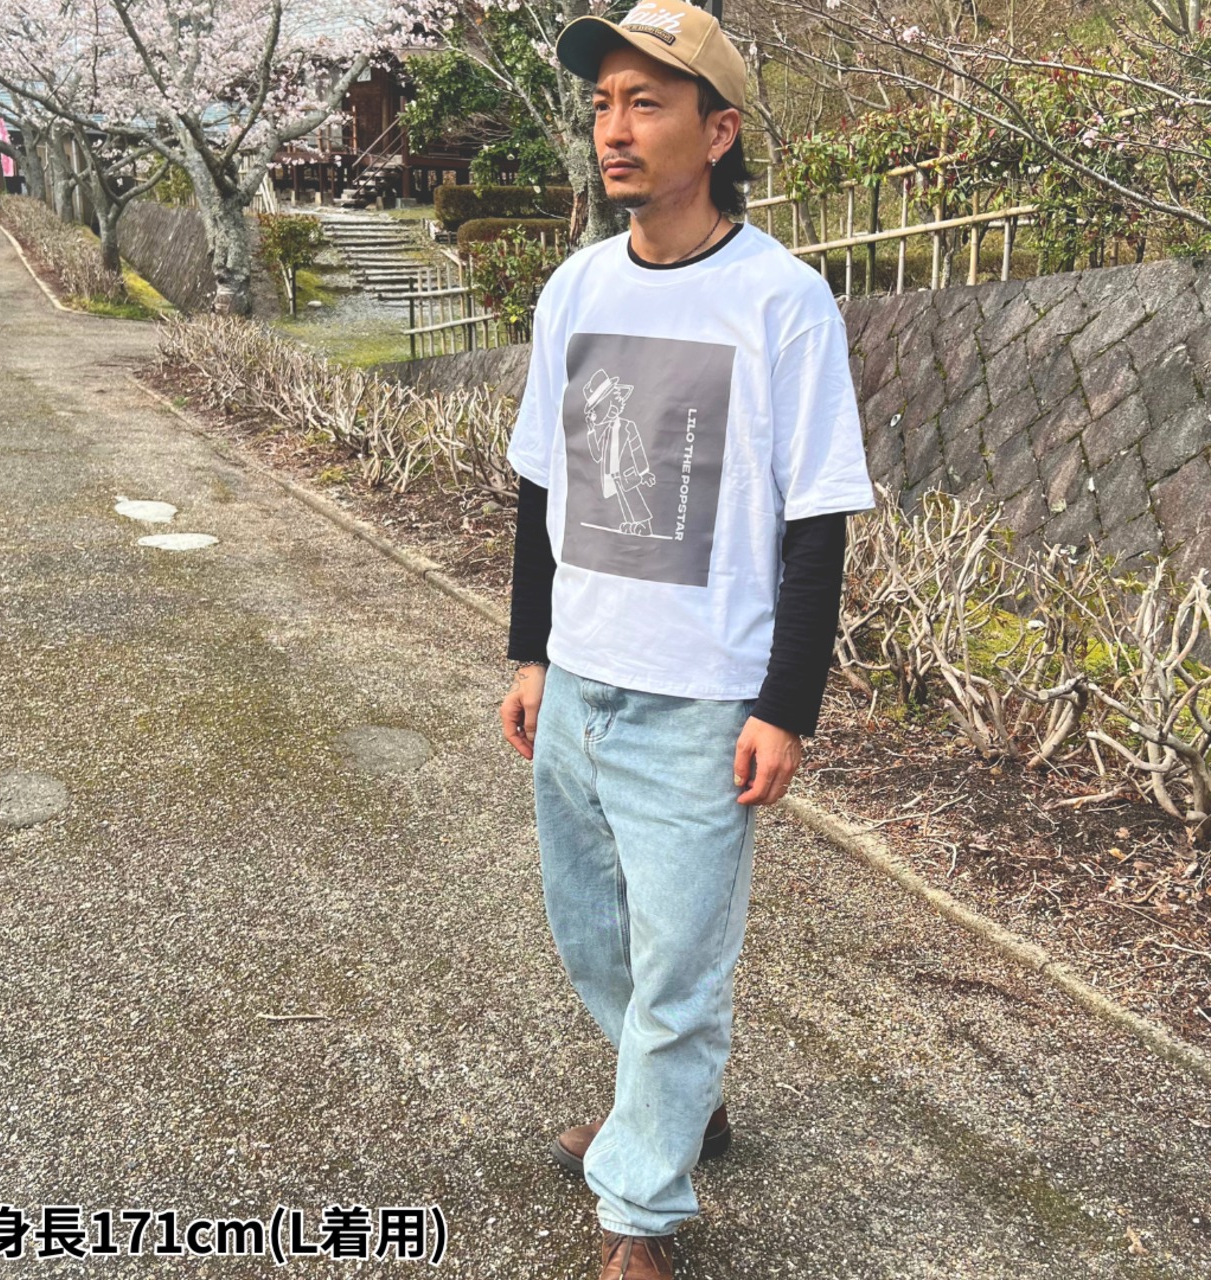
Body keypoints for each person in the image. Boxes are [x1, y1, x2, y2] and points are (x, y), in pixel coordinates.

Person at [498, 3, 877, 1276]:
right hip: (581, 677)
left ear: (715, 133)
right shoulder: (575, 287)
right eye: (602, 103)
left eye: (645, 103)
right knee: (591, 936)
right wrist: (531, 654)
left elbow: (815, 516)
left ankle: (638, 1212)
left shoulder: (780, 299)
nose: (614, 128)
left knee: (678, 971)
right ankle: (677, 1100)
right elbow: (541, 487)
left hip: (702, 701)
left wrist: (784, 706)